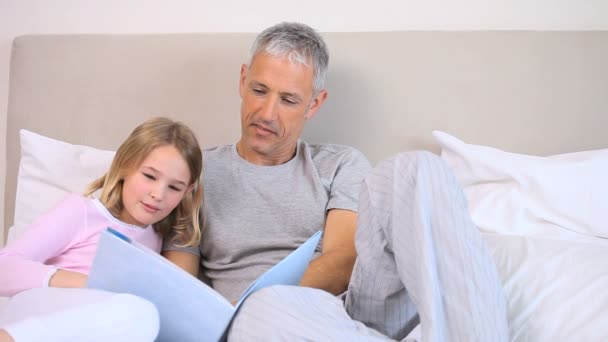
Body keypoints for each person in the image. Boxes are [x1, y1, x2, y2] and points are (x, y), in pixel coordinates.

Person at [165, 22, 509, 341]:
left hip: (351, 311)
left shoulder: (338, 163)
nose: (267, 113)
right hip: (255, 324)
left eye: (288, 100)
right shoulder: (194, 172)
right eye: (259, 90)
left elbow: (343, 262)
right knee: (266, 309)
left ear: (314, 104)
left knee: (418, 168)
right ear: (242, 81)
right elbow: (179, 290)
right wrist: (243, 310)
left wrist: (258, 297)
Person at [0, 117, 203, 342]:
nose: (158, 194)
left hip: (96, 324)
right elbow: (4, 267)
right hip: (41, 308)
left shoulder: (157, 238)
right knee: (140, 313)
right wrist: (88, 282)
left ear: (187, 192)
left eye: (174, 187)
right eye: (149, 176)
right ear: (125, 165)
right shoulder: (83, 212)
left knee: (148, 319)